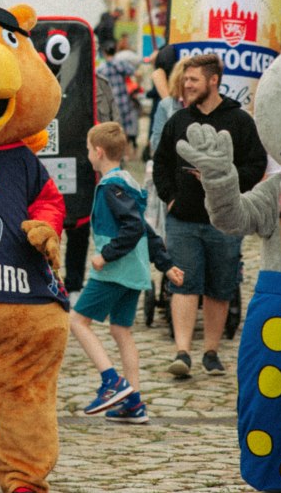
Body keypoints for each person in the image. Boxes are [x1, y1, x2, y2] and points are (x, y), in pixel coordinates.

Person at [151, 52, 266, 378]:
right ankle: (183, 352)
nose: (186, 85)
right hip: (183, 220)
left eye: (193, 80)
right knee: (184, 285)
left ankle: (211, 352)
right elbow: (159, 162)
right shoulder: (179, 120)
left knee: (219, 287)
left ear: (213, 81)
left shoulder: (240, 121)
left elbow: (256, 165)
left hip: (225, 221)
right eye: (185, 79)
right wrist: (170, 198)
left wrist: (226, 179)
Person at [71, 124, 162, 424]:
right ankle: (133, 402)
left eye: (88, 149)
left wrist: (104, 256)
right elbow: (144, 226)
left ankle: (112, 381)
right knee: (120, 330)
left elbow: (133, 227)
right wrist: (165, 261)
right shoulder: (127, 181)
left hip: (114, 270)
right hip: (134, 270)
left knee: (77, 321)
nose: (87, 155)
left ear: (98, 152)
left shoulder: (111, 186)